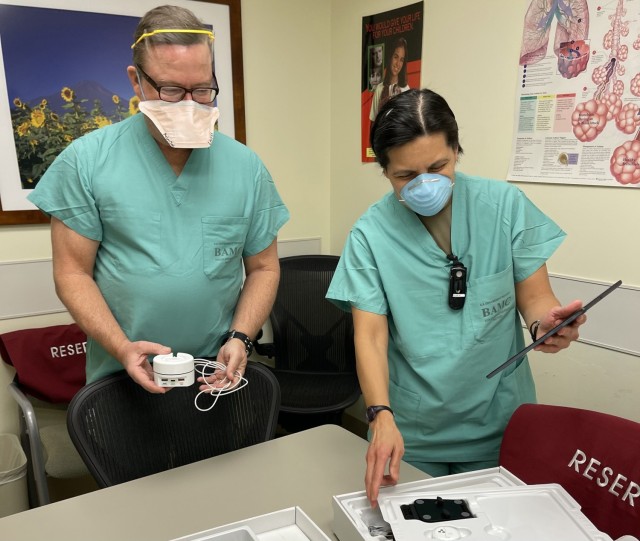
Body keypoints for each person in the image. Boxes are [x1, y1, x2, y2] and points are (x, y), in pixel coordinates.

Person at [326, 88, 586, 507]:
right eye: (405, 176)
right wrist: (379, 416)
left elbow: (537, 301)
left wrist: (547, 326)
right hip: (411, 431)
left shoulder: (504, 207)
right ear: (384, 171)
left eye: (438, 166)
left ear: (457, 151)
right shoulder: (370, 235)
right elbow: (370, 337)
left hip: (499, 421)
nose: (424, 184)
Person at [27, 5, 289, 394]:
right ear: (136, 81)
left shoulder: (245, 167)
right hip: (121, 373)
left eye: (202, 90)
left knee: (227, 458)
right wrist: (122, 348)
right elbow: (72, 273)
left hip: (214, 373)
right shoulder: (87, 161)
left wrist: (242, 337)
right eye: (170, 90)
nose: (188, 104)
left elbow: (264, 269)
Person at [369, 37, 409, 122]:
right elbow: (373, 122)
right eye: (395, 57)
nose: (398, 64)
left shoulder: (406, 90)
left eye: (401, 60)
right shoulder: (379, 89)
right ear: (389, 57)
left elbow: (408, 125)